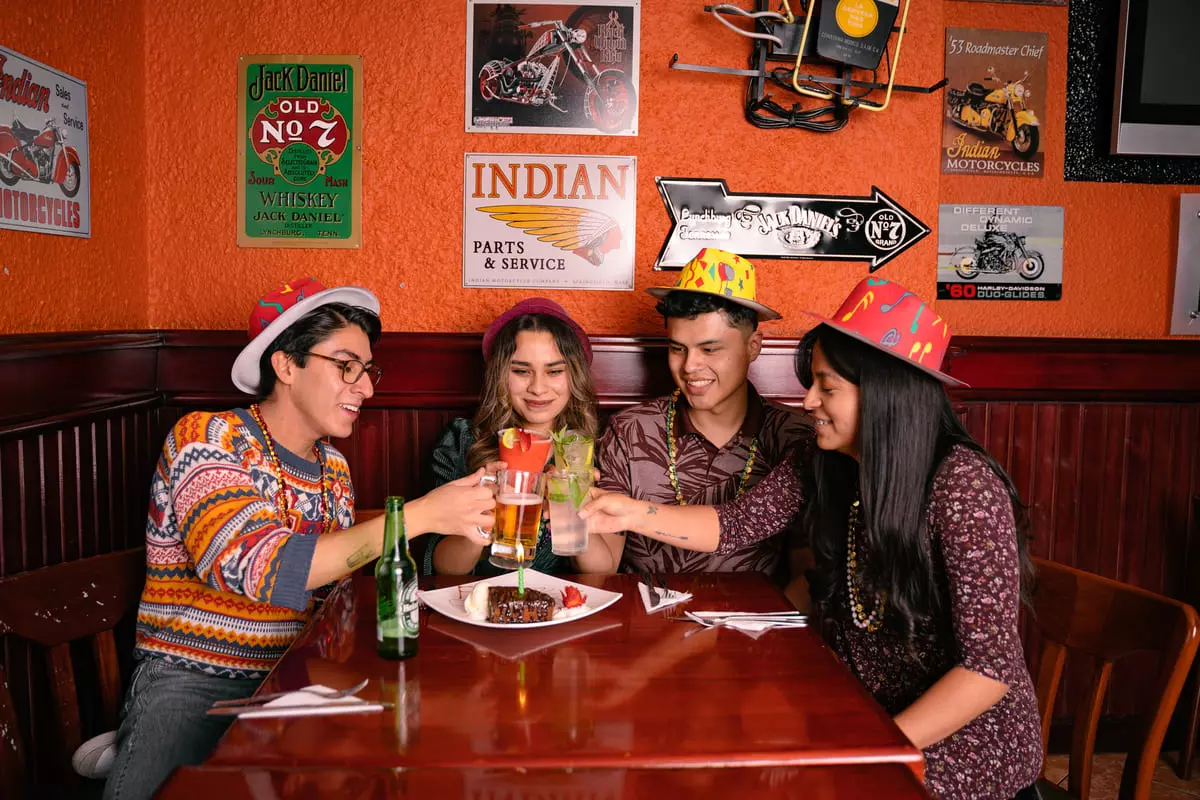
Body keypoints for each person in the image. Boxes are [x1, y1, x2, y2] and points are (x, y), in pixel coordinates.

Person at [582, 277, 1043, 800]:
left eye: (827, 387)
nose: (808, 401)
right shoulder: (825, 459)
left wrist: (867, 748)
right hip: (863, 712)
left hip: (963, 745)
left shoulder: (963, 485)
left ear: (885, 395)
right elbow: (734, 525)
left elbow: (987, 671)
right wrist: (629, 512)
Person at [104, 278, 497, 800]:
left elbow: (334, 598)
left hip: (301, 677)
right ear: (286, 365)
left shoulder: (333, 468)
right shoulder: (207, 438)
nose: (367, 388)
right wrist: (420, 515)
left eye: (368, 370)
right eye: (346, 366)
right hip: (197, 679)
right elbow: (261, 569)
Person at [574, 248, 812, 577]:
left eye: (709, 349)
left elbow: (806, 576)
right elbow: (602, 568)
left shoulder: (796, 435)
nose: (689, 366)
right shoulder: (629, 431)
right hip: (643, 609)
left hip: (756, 611)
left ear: (753, 346)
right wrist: (572, 507)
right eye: (677, 349)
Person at [423, 297, 598, 576]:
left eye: (554, 371)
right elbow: (443, 568)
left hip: (562, 599)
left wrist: (573, 503)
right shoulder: (462, 440)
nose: (538, 388)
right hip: (479, 597)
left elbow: (603, 568)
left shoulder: (585, 449)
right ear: (500, 374)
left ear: (574, 376)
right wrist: (485, 510)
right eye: (521, 371)